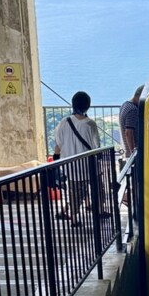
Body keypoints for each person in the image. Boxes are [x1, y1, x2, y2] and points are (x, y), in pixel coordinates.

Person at [52, 91, 101, 225]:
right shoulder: (90, 124)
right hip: (88, 165)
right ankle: (95, 210)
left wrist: (56, 160)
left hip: (70, 165)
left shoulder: (64, 122)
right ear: (88, 106)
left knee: (74, 191)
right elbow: (96, 145)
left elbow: (59, 144)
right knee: (95, 188)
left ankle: (73, 216)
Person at [119, 85, 144, 158]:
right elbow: (128, 132)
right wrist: (133, 153)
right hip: (131, 153)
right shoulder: (133, 110)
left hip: (127, 150)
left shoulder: (125, 104)